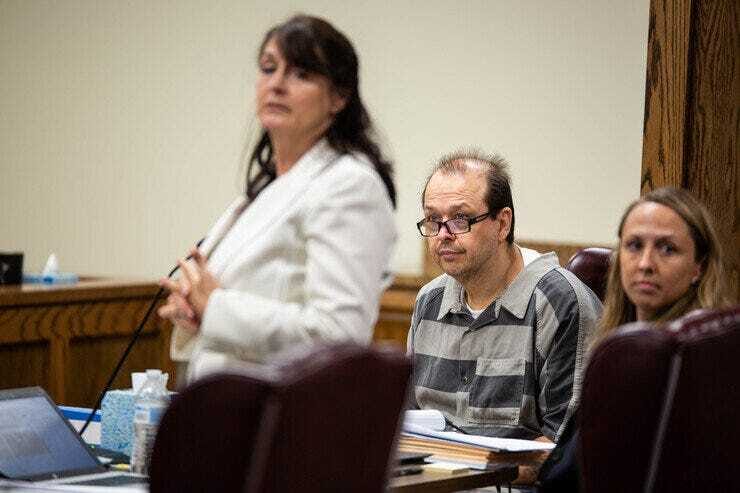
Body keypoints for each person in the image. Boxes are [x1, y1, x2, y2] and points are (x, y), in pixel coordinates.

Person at [158, 15, 397, 382]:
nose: (277, 85)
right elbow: (237, 313)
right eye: (269, 68)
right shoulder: (267, 189)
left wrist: (217, 308)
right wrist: (196, 313)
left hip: (287, 407)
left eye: (301, 73)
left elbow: (340, 336)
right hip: (227, 399)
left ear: (339, 97)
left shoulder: (350, 184)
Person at [537, 186, 735, 492]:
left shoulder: (651, 358)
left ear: (700, 267)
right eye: (634, 245)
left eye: (667, 249)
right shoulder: (619, 342)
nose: (645, 264)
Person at [406, 149, 602, 442]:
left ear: (502, 224)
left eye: (460, 219)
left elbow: (566, 448)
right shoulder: (429, 301)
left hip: (516, 473)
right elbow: (408, 421)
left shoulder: (559, 303)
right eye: (433, 219)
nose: (443, 234)